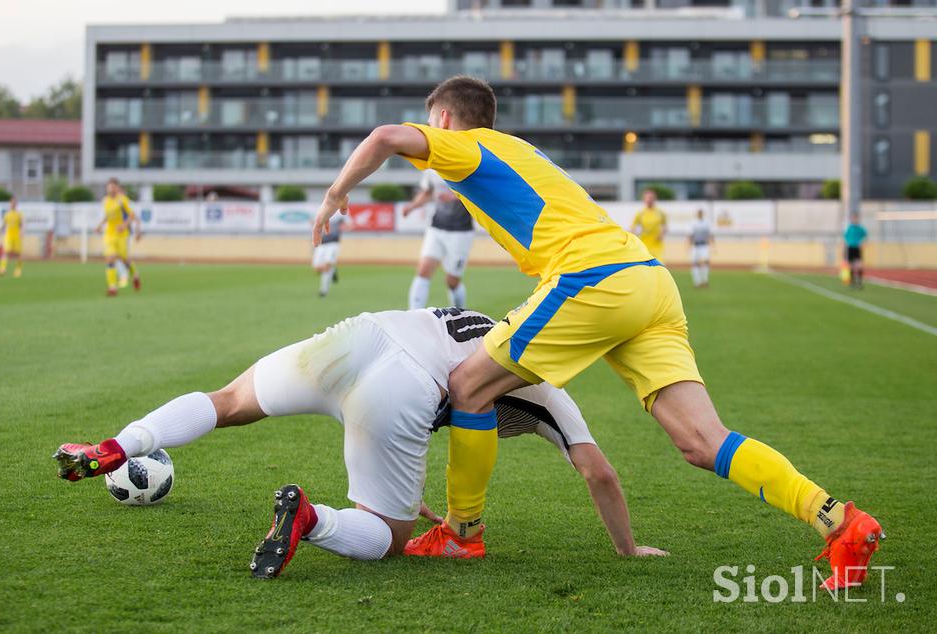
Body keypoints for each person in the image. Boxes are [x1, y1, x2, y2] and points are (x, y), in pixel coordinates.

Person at [311, 75, 882, 590]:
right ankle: (839, 521)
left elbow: (385, 137)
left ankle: (462, 532)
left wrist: (337, 194)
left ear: (442, 119)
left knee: (468, 387)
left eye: (429, 118)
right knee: (702, 442)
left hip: (592, 280)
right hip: (650, 284)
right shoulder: (517, 151)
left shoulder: (466, 145)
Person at [53, 308, 667, 579]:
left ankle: (122, 443)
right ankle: (312, 519)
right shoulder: (549, 390)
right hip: (403, 386)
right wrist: (628, 549)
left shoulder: (490, 321)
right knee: (390, 535)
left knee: (229, 402)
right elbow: (600, 474)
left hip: (363, 335)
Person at [402, 169, 475, 309]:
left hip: (461, 231)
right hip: (436, 227)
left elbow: (475, 192)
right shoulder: (430, 170)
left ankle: (459, 313)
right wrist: (411, 207)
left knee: (452, 281)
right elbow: (427, 193)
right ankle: (414, 315)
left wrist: (453, 197)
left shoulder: (462, 162)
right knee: (423, 270)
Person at [95, 178, 141, 297]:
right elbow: (108, 216)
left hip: (122, 234)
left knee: (124, 259)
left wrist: (124, 225)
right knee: (110, 258)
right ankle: (112, 287)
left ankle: (135, 275)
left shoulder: (122, 200)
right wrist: (100, 226)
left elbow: (132, 215)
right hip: (109, 233)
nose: (111, 189)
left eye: (113, 187)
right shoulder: (105, 201)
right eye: (109, 187)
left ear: (117, 188)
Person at [312, 212, 347, 297]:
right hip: (321, 243)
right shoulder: (322, 208)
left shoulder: (341, 210)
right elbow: (314, 223)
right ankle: (333, 270)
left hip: (333, 243)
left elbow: (349, 223)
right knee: (317, 268)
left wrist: (343, 228)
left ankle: (323, 290)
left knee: (327, 267)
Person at [631, 189, 667, 261]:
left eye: (651, 198)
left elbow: (665, 225)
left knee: (659, 265)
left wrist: (661, 234)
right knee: (646, 265)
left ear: (655, 199)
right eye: (647, 198)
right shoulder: (640, 213)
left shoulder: (660, 212)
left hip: (657, 244)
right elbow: (633, 227)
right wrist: (635, 238)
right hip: (644, 244)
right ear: (644, 199)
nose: (649, 200)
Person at [0, 197, 24, 278]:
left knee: (18, 254)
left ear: (16, 204)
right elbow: (3, 224)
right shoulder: (7, 214)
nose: (13, 204)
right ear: (10, 204)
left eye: (14, 203)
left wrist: (22, 232)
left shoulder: (19, 214)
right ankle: (2, 269)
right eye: (12, 202)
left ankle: (18, 270)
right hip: (9, 236)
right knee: (5, 252)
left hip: (17, 236)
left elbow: (22, 224)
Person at [689, 208, 713, 288]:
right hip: (695, 246)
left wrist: (712, 245)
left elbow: (710, 235)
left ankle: (705, 281)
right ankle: (697, 282)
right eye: (699, 213)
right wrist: (689, 246)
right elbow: (690, 235)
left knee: (705, 263)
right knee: (695, 264)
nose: (700, 214)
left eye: (701, 213)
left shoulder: (706, 223)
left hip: (704, 245)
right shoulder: (693, 223)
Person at [843, 213, 867, 289]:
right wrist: (844, 249)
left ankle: (859, 282)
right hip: (850, 248)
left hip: (857, 248)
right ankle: (852, 282)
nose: (854, 220)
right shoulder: (849, 228)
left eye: (856, 218)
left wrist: (862, 243)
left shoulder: (860, 229)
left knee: (859, 266)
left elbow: (865, 236)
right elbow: (845, 239)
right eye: (853, 218)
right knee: (852, 267)